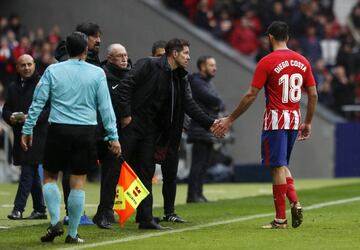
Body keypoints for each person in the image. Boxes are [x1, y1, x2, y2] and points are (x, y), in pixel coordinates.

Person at [213, 21, 318, 229]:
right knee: (282, 164)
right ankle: (294, 202)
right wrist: (307, 122)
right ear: (287, 37)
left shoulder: (267, 61)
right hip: (294, 119)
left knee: (277, 166)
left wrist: (230, 118)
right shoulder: (303, 61)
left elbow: (252, 94)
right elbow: (313, 93)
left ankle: (280, 219)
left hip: (276, 119)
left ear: (269, 37)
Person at [21, 32, 121, 243]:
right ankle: (73, 233)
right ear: (86, 49)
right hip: (86, 132)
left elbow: (38, 102)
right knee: (78, 182)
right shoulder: (97, 73)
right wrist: (113, 136)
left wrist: (27, 129)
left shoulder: (53, 70)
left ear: (66, 49)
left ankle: (55, 221)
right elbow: (106, 108)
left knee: (49, 177)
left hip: (58, 130)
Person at [117, 38, 217, 229]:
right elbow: (125, 86)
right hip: (132, 125)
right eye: (186, 53)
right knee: (116, 166)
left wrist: (210, 123)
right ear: (174, 54)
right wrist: (125, 115)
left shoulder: (179, 76)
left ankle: (146, 219)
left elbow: (189, 104)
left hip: (152, 131)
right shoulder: (148, 64)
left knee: (146, 172)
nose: (189, 57)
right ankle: (104, 214)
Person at [55, 22, 102, 225]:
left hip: (85, 123)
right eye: (94, 36)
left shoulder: (93, 60)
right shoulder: (69, 63)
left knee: (77, 169)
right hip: (72, 122)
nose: (98, 40)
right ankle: (71, 214)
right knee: (71, 169)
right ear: (82, 39)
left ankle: (73, 213)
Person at [3, 54, 48, 220]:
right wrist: (11, 118)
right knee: (32, 170)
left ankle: (18, 209)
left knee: (27, 170)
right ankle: (40, 209)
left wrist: (31, 118)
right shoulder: (13, 86)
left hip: (38, 135)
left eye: (29, 64)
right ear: (17, 68)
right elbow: (6, 110)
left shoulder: (42, 84)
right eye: (23, 65)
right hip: (19, 133)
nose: (27, 68)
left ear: (34, 65)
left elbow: (48, 110)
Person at [93, 43, 132, 229]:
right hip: (96, 131)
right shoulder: (100, 76)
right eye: (120, 56)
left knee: (112, 173)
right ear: (110, 58)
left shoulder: (130, 75)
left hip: (118, 134)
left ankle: (105, 211)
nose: (125, 59)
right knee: (79, 172)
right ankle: (74, 213)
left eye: (125, 55)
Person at [151, 40, 186, 223]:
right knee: (145, 172)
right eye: (158, 56)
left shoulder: (179, 76)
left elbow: (186, 104)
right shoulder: (150, 74)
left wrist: (182, 130)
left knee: (170, 173)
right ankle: (145, 213)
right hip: (152, 133)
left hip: (171, 134)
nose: (161, 60)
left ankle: (169, 212)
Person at [187, 55, 225, 203]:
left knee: (204, 164)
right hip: (199, 129)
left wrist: (217, 104)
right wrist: (216, 104)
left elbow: (219, 102)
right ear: (202, 66)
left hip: (208, 129)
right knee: (198, 163)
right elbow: (214, 100)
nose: (214, 68)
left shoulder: (207, 82)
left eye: (214, 65)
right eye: (211, 65)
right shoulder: (196, 81)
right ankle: (192, 195)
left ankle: (199, 193)